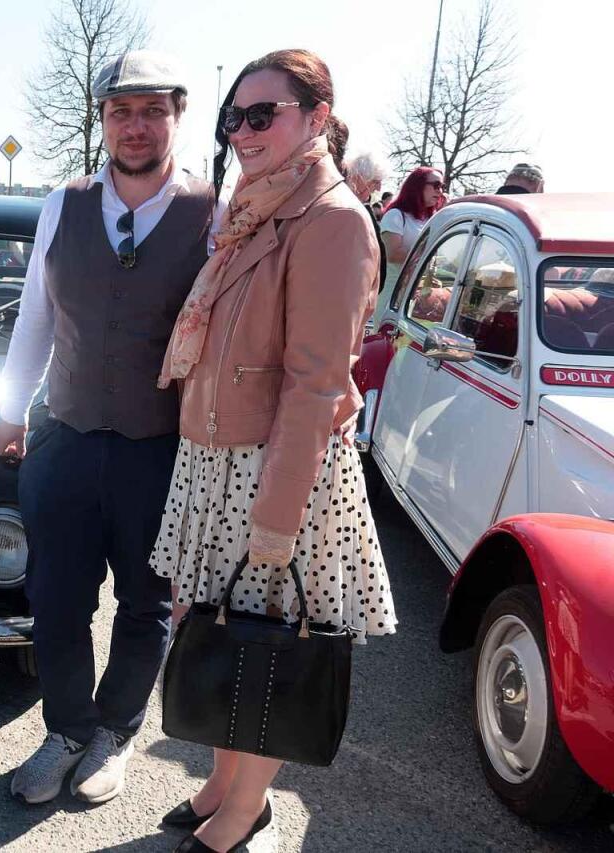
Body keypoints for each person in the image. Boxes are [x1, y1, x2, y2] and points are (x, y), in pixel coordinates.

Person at [153, 48, 395, 853]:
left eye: (264, 114)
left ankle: (244, 811)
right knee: (220, 631)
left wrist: (277, 518)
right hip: (219, 460)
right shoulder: (255, 206)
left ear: (317, 118)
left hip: (277, 472)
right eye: (235, 116)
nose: (243, 131)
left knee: (265, 648)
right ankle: (224, 785)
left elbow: (316, 383)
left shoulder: (332, 219)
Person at [0, 49, 214, 807]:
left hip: (161, 446)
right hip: (67, 432)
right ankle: (65, 729)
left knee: (146, 602)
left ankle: (114, 730)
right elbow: (36, 315)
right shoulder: (63, 203)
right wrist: (10, 408)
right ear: (103, 121)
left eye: (153, 110)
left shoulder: (213, 213)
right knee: (56, 596)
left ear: (178, 116)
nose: (136, 125)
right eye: (121, 110)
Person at [378, 166, 445, 295]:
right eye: (436, 185)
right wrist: (427, 256)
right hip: (394, 296)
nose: (440, 191)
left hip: (419, 296)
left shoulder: (432, 219)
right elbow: (393, 255)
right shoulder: (395, 215)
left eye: (442, 186)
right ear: (417, 186)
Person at [343, 152, 389, 290]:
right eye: (376, 181)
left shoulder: (363, 206)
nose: (379, 188)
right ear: (358, 178)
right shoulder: (342, 208)